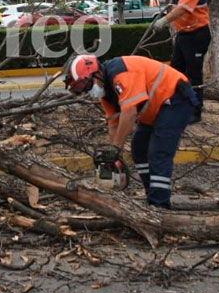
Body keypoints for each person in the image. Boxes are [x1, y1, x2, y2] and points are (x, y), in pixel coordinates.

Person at [65, 53, 199, 208]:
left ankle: (159, 204)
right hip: (156, 109)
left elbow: (129, 113)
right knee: (139, 148)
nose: (88, 91)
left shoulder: (121, 73)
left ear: (97, 73)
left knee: (159, 152)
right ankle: (152, 194)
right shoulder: (106, 94)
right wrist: (114, 156)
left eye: (87, 85)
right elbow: (113, 124)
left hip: (175, 99)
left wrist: (115, 148)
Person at [152, 0, 210, 124]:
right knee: (176, 71)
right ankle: (178, 104)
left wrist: (164, 21)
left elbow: (182, 9)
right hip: (185, 35)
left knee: (193, 75)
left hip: (196, 36)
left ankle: (196, 111)